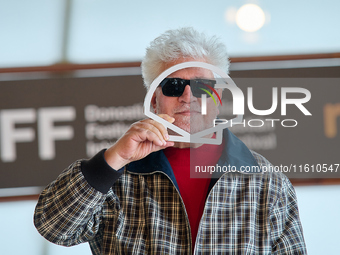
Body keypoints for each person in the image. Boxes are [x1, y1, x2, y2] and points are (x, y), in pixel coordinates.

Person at [34, 27, 307, 254]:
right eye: (173, 86)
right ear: (154, 100)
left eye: (202, 87)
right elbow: (54, 227)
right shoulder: (115, 174)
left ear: (218, 98)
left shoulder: (267, 182)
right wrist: (114, 159)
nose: (188, 97)